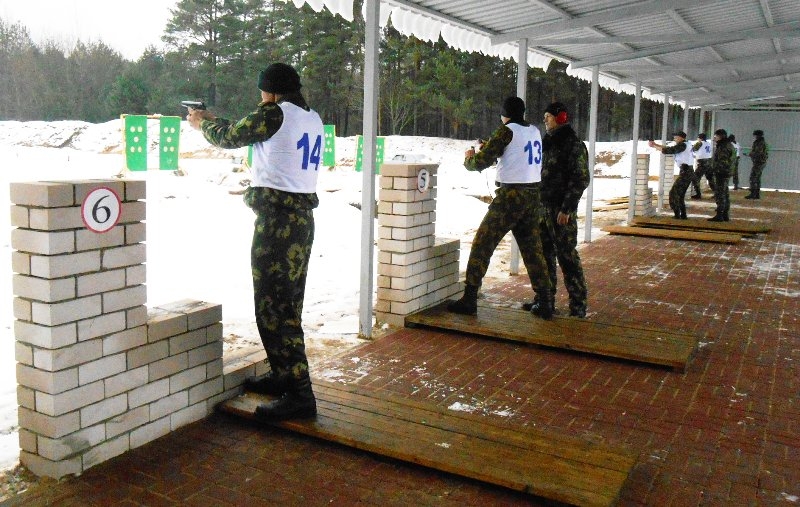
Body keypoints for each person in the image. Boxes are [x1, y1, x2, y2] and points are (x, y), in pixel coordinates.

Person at [187, 62, 321, 421]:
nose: (261, 98)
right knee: (287, 305)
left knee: (275, 308)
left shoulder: (275, 114)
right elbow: (258, 131)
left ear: (273, 92)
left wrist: (202, 123)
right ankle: (285, 375)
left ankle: (299, 394)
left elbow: (230, 137)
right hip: (300, 221)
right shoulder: (311, 118)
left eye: (263, 92)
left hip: (278, 225)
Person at [447, 96, 554, 319]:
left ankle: (470, 297)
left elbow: (480, 162)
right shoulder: (534, 131)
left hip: (510, 197)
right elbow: (517, 156)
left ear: (505, 114)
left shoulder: (506, 131)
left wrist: (470, 158)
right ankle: (545, 300)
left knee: (483, 244)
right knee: (533, 250)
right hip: (533, 197)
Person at [524, 102, 590, 318]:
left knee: (567, 258)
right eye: (544, 116)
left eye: (549, 116)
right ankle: (545, 300)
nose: (545, 120)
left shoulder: (573, 145)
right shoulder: (546, 142)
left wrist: (567, 208)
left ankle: (578, 305)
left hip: (561, 211)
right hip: (543, 208)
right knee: (544, 256)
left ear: (561, 118)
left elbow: (580, 179)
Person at [649, 131, 694, 220]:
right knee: (680, 195)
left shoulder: (683, 145)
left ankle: (677, 214)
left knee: (673, 193)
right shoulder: (686, 144)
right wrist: (656, 145)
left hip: (686, 172)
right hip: (687, 171)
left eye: (676, 137)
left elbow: (669, 150)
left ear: (681, 138)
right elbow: (670, 148)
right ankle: (682, 215)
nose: (674, 139)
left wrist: (654, 146)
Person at [708, 128, 736, 221]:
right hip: (726, 172)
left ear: (720, 136)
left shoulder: (723, 146)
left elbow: (722, 161)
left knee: (720, 194)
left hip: (722, 173)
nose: (715, 138)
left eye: (716, 136)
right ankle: (725, 215)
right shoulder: (728, 145)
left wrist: (714, 170)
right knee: (725, 193)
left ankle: (720, 215)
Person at [746, 129, 768, 199]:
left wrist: (750, 154)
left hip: (759, 162)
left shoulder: (760, 143)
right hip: (760, 162)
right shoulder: (760, 142)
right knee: (757, 178)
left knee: (753, 177)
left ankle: (753, 194)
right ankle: (756, 194)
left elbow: (758, 152)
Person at [691, 133, 713, 198]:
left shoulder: (699, 143)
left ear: (700, 138)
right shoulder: (709, 144)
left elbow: (693, 149)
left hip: (702, 163)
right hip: (709, 162)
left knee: (695, 178)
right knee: (711, 179)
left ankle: (698, 194)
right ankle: (717, 194)